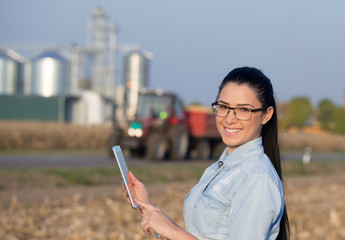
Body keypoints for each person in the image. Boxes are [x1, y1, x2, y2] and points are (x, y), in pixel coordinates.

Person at [122, 66, 290, 240]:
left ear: (266, 115)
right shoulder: (218, 169)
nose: (229, 119)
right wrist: (149, 209)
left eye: (243, 110)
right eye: (223, 107)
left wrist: (172, 230)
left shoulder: (256, 179)